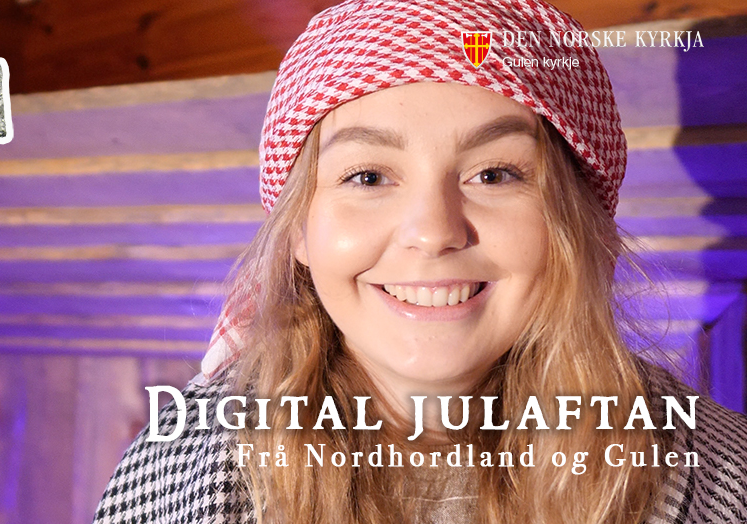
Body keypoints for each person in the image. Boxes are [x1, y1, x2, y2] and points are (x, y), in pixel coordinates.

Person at [94, 1, 747, 522]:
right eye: (368, 177)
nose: (433, 233)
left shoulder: (727, 480)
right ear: (300, 232)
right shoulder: (171, 481)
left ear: (579, 225)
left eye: (494, 174)